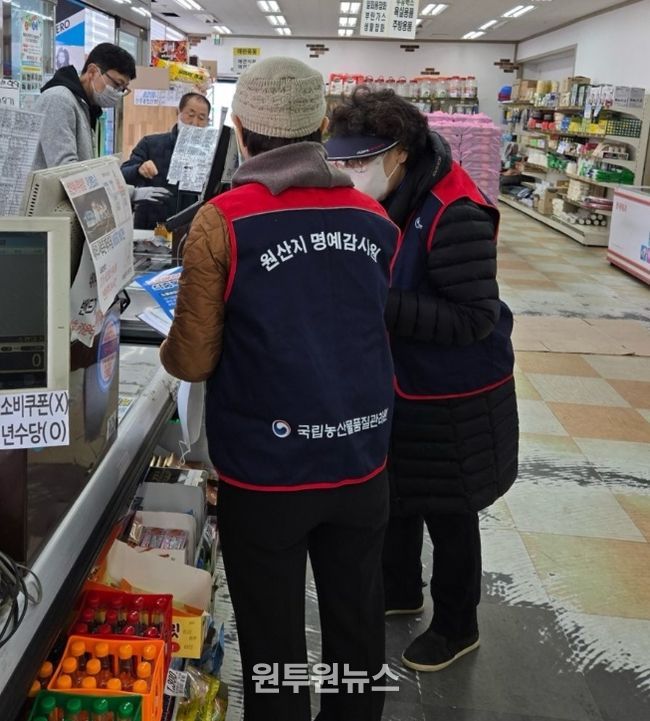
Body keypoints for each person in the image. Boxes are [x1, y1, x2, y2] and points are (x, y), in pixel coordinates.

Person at [160, 58, 400, 721]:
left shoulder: (223, 220)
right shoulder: (373, 218)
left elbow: (192, 359)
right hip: (361, 459)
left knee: (273, 634)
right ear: (322, 128)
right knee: (357, 620)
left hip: (268, 470)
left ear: (239, 130)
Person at [325, 88, 519, 673]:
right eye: (342, 160)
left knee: (451, 512)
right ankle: (401, 588)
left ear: (401, 154)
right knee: (400, 495)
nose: (351, 172)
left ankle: (458, 625)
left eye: (362, 161)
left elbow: (474, 317)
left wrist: (378, 302)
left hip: (456, 396)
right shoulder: (393, 197)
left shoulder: (454, 210)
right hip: (403, 381)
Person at [33, 43, 136, 170]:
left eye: (122, 89)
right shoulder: (59, 99)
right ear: (92, 72)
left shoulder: (86, 107)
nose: (117, 93)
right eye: (116, 84)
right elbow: (64, 169)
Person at [120, 93, 212, 229]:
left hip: (191, 228)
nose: (195, 123)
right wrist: (139, 169)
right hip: (151, 227)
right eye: (190, 115)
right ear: (178, 112)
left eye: (201, 118)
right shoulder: (150, 143)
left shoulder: (211, 154)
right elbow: (122, 175)